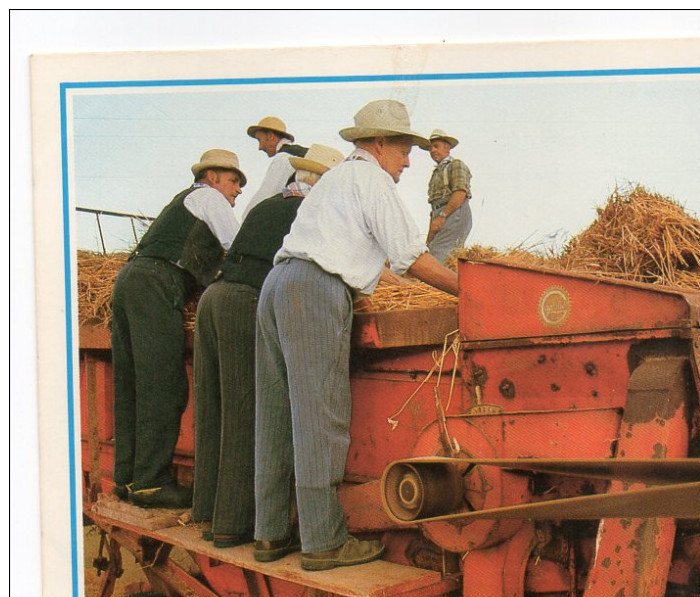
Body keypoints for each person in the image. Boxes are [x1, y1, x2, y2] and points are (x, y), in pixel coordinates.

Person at [253, 99, 459, 571]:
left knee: (275, 414)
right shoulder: (371, 178)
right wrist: (469, 292)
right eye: (405, 148)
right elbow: (410, 256)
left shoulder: (338, 179)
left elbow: (379, 263)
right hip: (313, 291)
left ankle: (269, 534)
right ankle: (324, 542)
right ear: (379, 143)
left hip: (278, 285)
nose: (408, 160)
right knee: (320, 414)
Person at [191, 144, 343, 548]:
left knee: (214, 411)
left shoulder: (266, 205)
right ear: (324, 182)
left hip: (214, 296)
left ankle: (206, 510)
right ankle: (231, 526)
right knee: (247, 411)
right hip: (244, 300)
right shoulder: (309, 212)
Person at [113, 149, 244, 509]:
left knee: (132, 383)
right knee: (163, 384)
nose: (238, 190)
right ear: (213, 177)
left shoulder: (183, 202)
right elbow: (238, 248)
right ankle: (152, 484)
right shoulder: (209, 198)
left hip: (130, 279)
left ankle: (126, 478)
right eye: (234, 181)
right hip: (158, 283)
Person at [425, 129, 472, 263]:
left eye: (436, 146)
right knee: (433, 249)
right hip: (439, 213)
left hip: (453, 211)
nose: (432, 150)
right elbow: (434, 205)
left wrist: (443, 216)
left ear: (447, 147)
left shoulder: (455, 165)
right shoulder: (437, 172)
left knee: (440, 254)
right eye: (430, 148)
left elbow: (460, 193)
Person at [244, 116, 309, 214]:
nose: (260, 147)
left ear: (270, 136)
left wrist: (245, 220)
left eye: (259, 140)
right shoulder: (303, 153)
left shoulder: (283, 158)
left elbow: (266, 195)